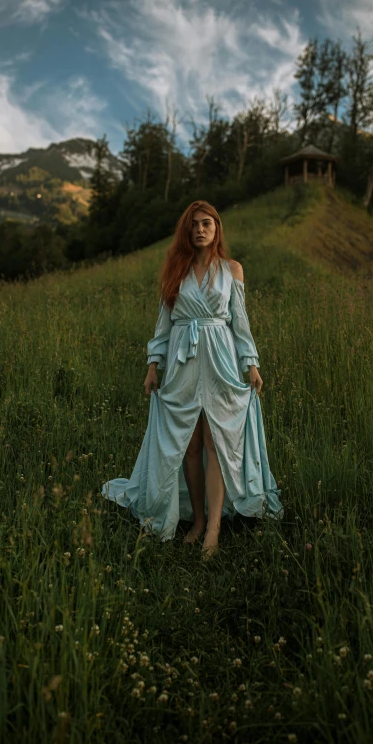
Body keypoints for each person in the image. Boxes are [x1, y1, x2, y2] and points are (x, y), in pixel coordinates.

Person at [101, 200, 284, 560]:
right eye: (194, 225)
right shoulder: (176, 270)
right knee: (189, 444)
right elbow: (164, 323)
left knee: (218, 442)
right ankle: (197, 520)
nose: (200, 229)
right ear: (187, 231)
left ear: (217, 230)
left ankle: (213, 529)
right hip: (183, 363)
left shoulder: (232, 270)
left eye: (207, 224)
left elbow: (239, 321)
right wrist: (154, 363)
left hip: (220, 360)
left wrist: (251, 364)